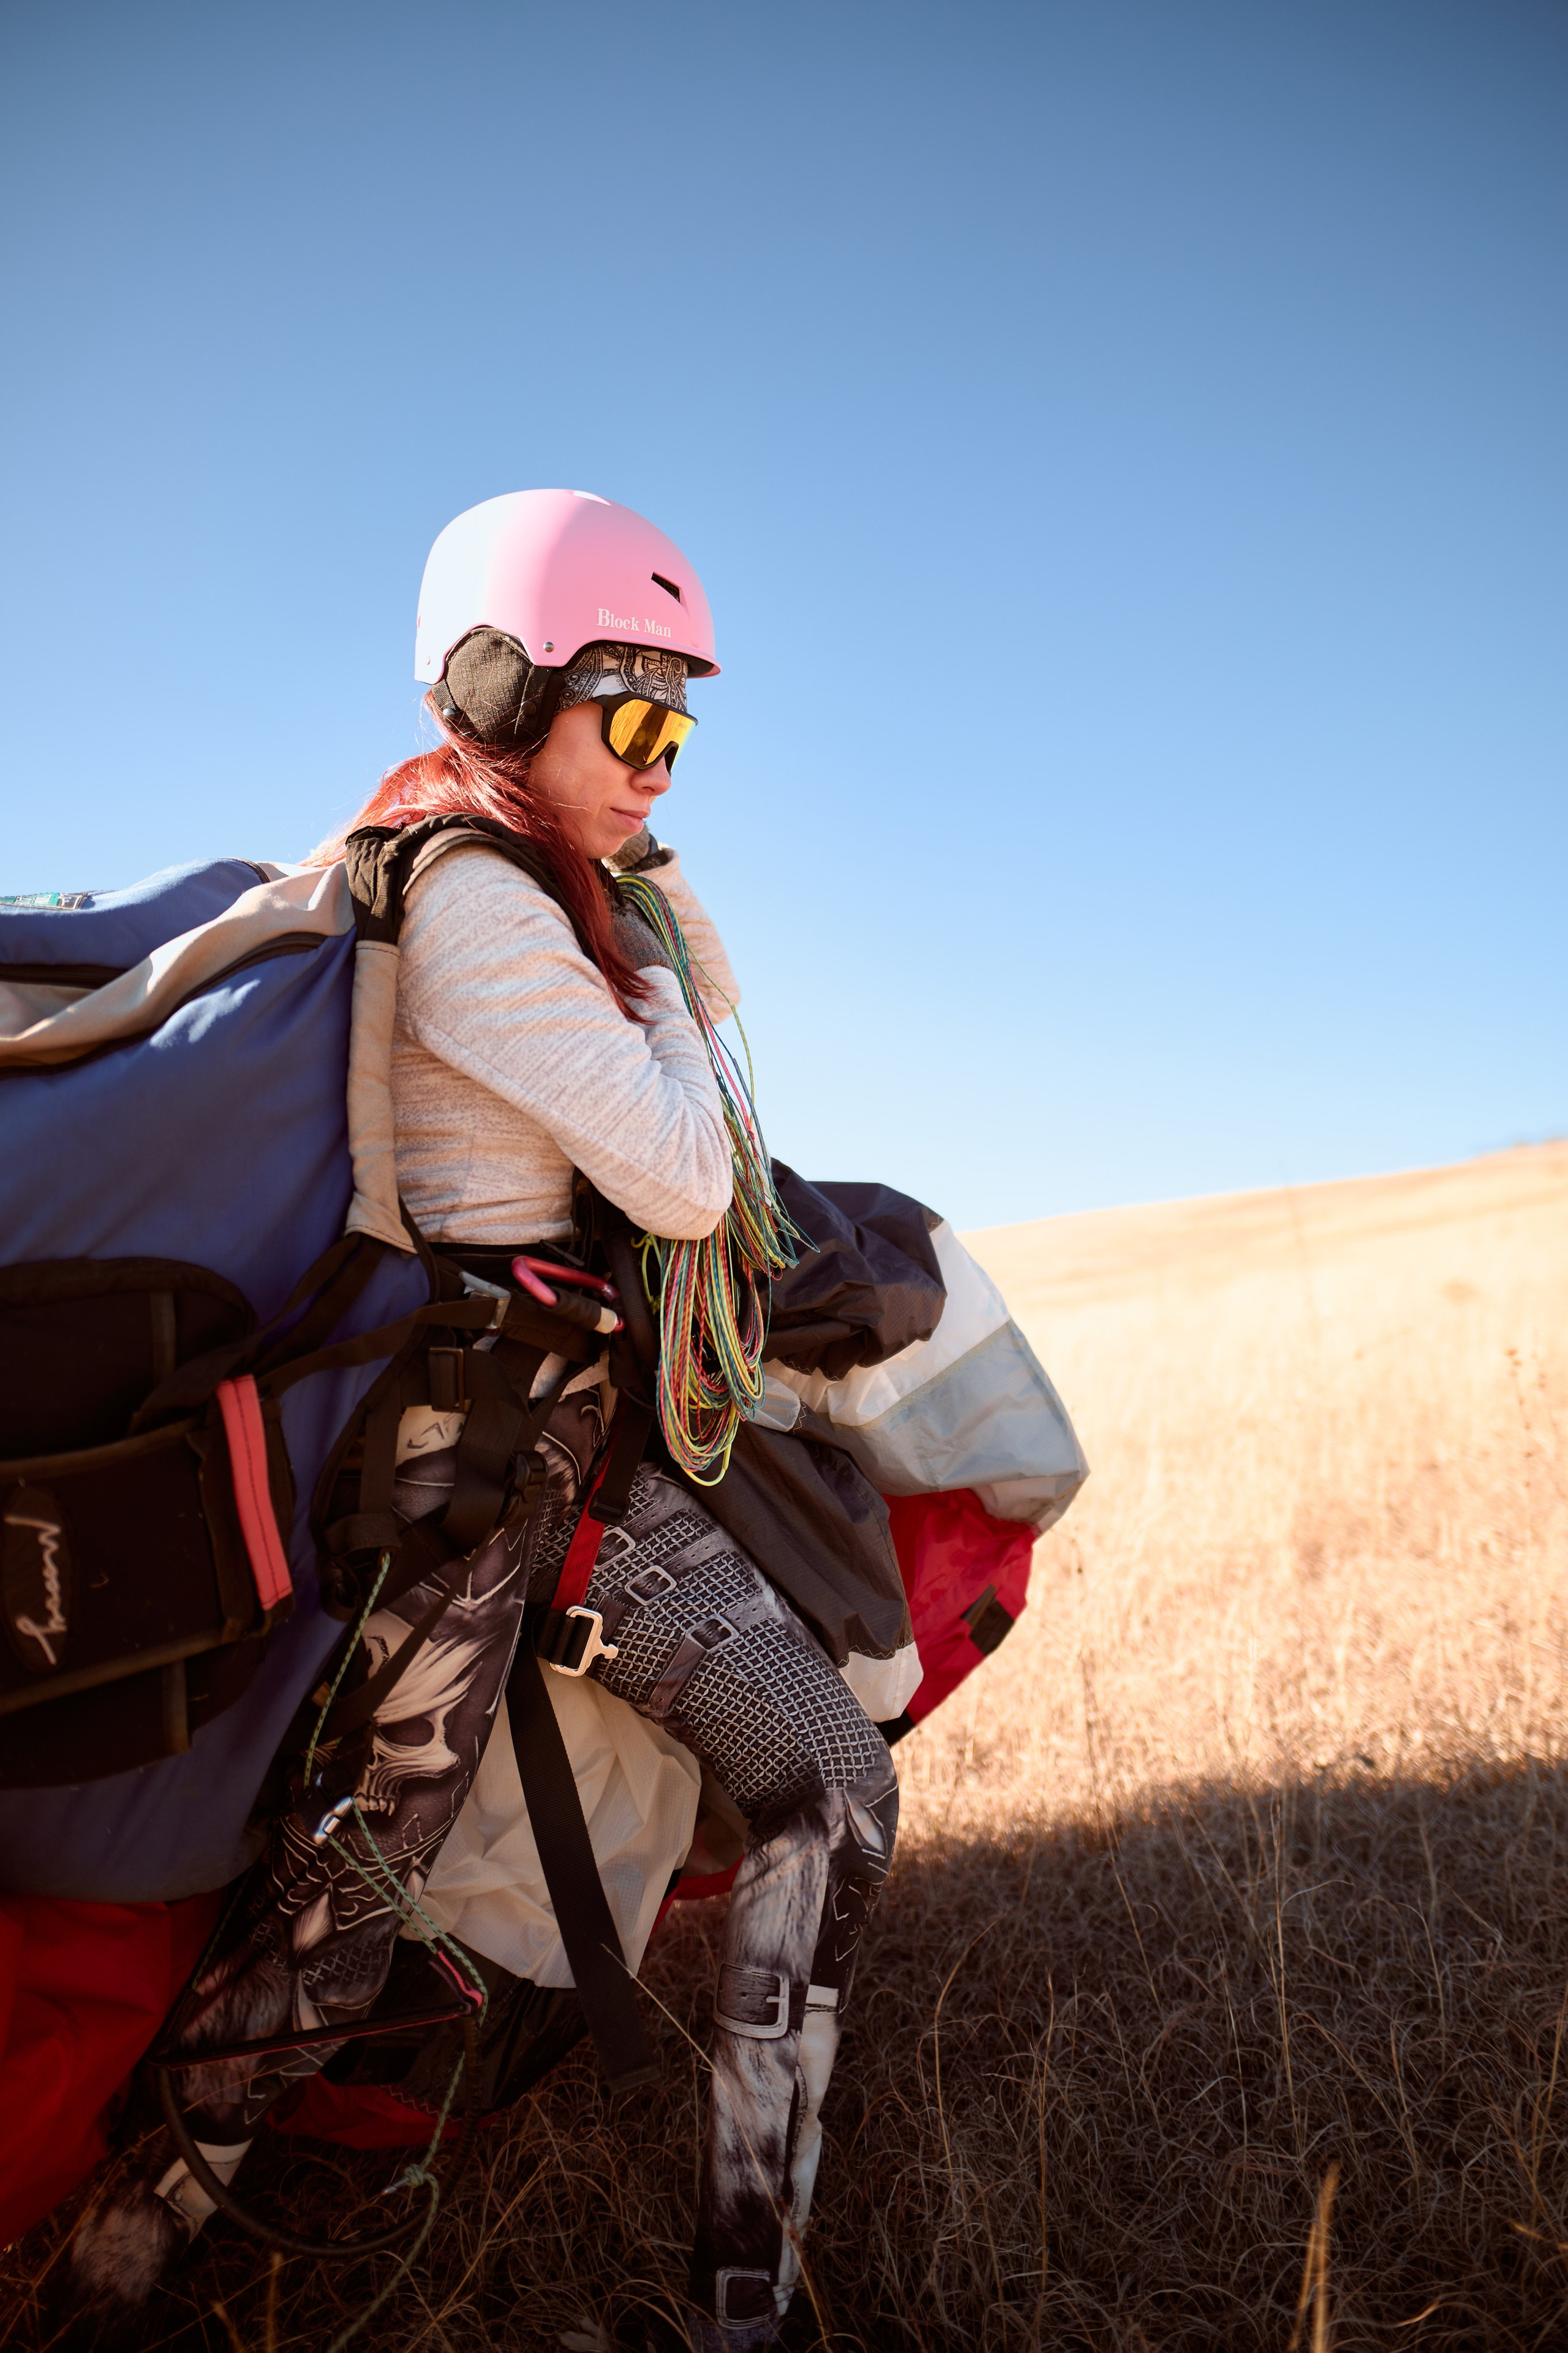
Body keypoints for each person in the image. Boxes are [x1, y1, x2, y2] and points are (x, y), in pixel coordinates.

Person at [62, 491, 899, 2353]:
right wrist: (660, 957)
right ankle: (99, 2286)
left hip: (572, 1471)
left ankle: (745, 2298)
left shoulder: (565, 889)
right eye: (633, 717)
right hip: (462, 1492)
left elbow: (722, 995)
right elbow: (691, 1170)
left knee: (830, 1788)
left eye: (685, 727)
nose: (662, 768)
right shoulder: (463, 902)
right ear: (501, 686)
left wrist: (650, 889)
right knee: (325, 1931)